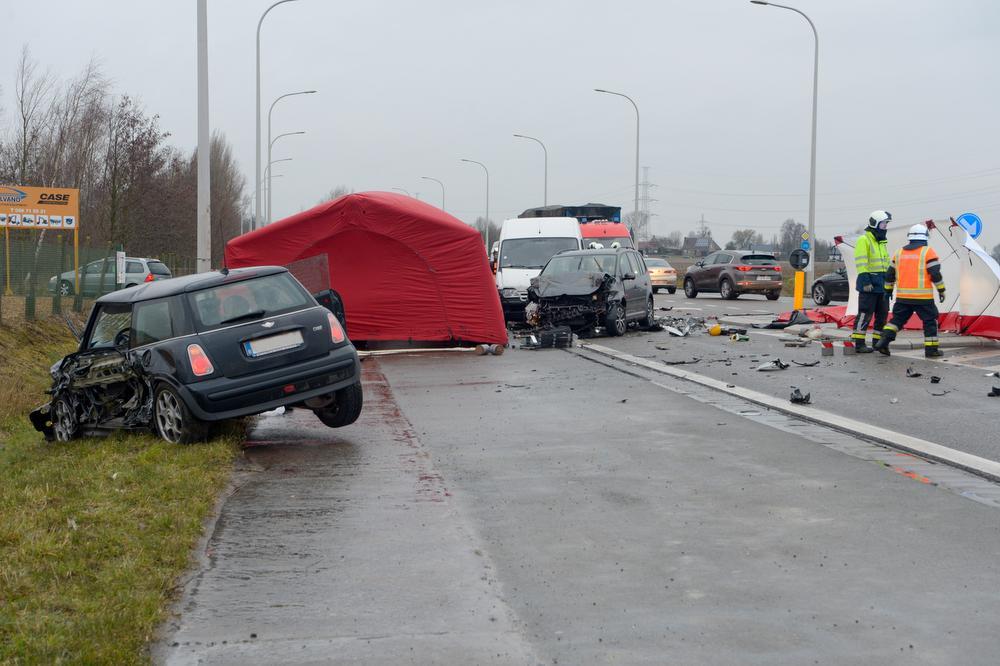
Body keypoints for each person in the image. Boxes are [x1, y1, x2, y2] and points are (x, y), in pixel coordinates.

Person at [873, 224, 946, 357]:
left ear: (910, 238)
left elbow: (890, 275)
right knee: (930, 321)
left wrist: (888, 291)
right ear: (925, 237)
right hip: (923, 299)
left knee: (896, 321)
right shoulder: (927, 252)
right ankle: (931, 350)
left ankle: (883, 341)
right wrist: (941, 290)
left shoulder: (899, 253)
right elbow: (935, 274)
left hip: (903, 297)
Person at [851, 210, 892, 353]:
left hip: (882, 285)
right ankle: (859, 343)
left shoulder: (882, 242)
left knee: (882, 316)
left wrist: (889, 285)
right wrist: (866, 281)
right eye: (883, 224)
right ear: (875, 224)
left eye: (886, 224)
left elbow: (886, 265)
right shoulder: (864, 240)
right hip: (869, 285)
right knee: (865, 314)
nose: (885, 227)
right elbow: (861, 263)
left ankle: (878, 343)